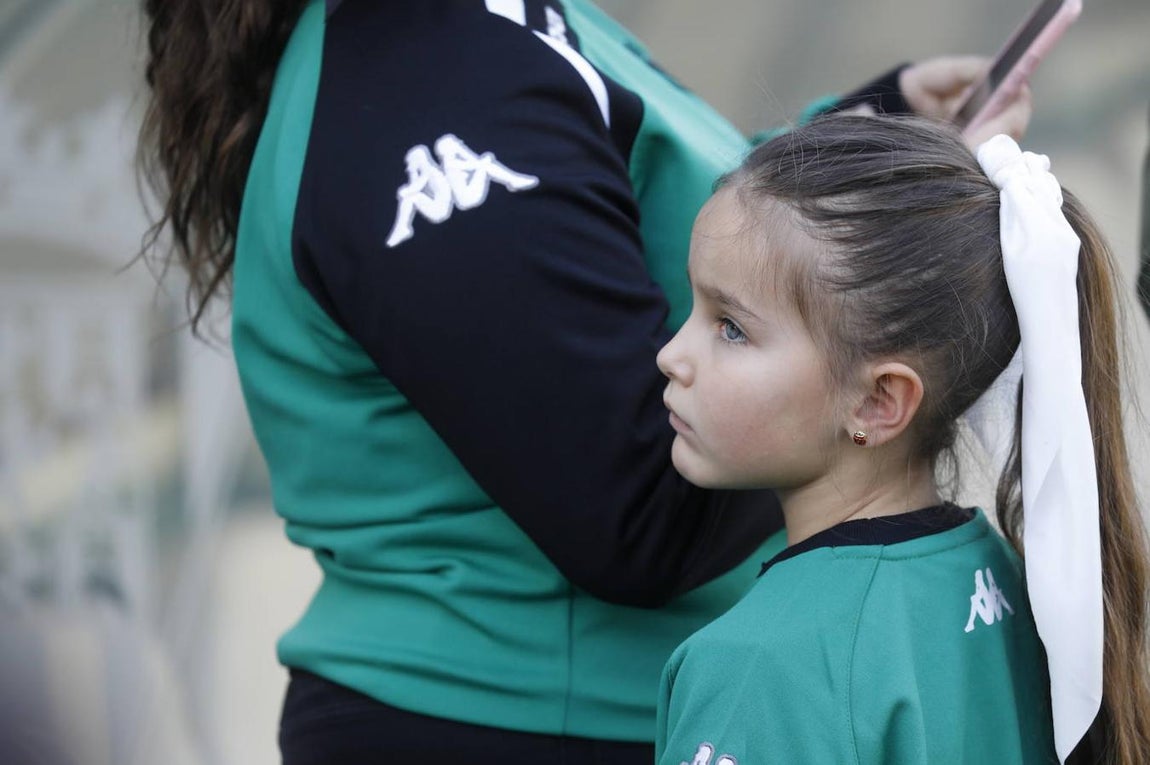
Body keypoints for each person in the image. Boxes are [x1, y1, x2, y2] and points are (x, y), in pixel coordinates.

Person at [137, 1, 1031, 762]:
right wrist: (863, 417)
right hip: (510, 720)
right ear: (883, 401)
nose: (680, 352)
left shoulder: (487, 41)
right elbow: (629, 498)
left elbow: (651, 225)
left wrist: (870, 137)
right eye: (707, 322)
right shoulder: (442, 81)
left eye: (721, 326)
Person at [655, 115, 1150, 764]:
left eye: (731, 329)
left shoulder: (758, 664)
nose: (671, 355)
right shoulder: (1009, 579)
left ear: (877, 401)